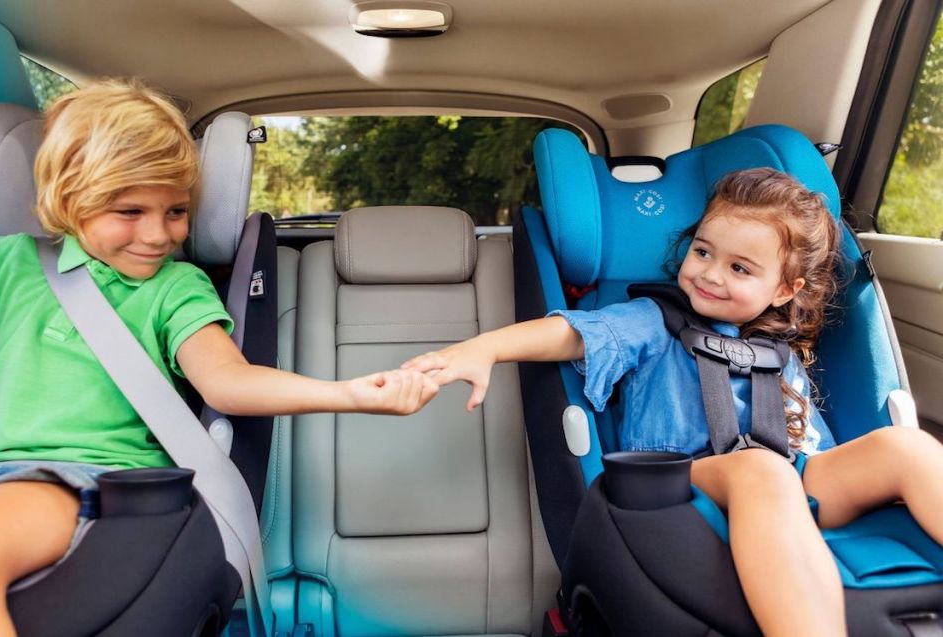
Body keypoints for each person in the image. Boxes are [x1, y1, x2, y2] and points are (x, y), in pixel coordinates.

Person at [0, 79, 438, 637]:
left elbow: (225, 380)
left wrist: (347, 394)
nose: (158, 234)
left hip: (80, 482)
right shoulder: (4, 263)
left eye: (176, 211)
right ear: (69, 201)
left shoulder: (177, 287)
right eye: (130, 210)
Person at [403, 167, 943, 637]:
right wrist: (480, 350)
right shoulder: (653, 321)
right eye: (703, 251)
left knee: (906, 446)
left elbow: (811, 450)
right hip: (682, 482)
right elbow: (570, 336)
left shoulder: (778, 349)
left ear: (785, 289)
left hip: (793, 476)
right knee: (760, 468)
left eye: (740, 268)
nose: (709, 273)